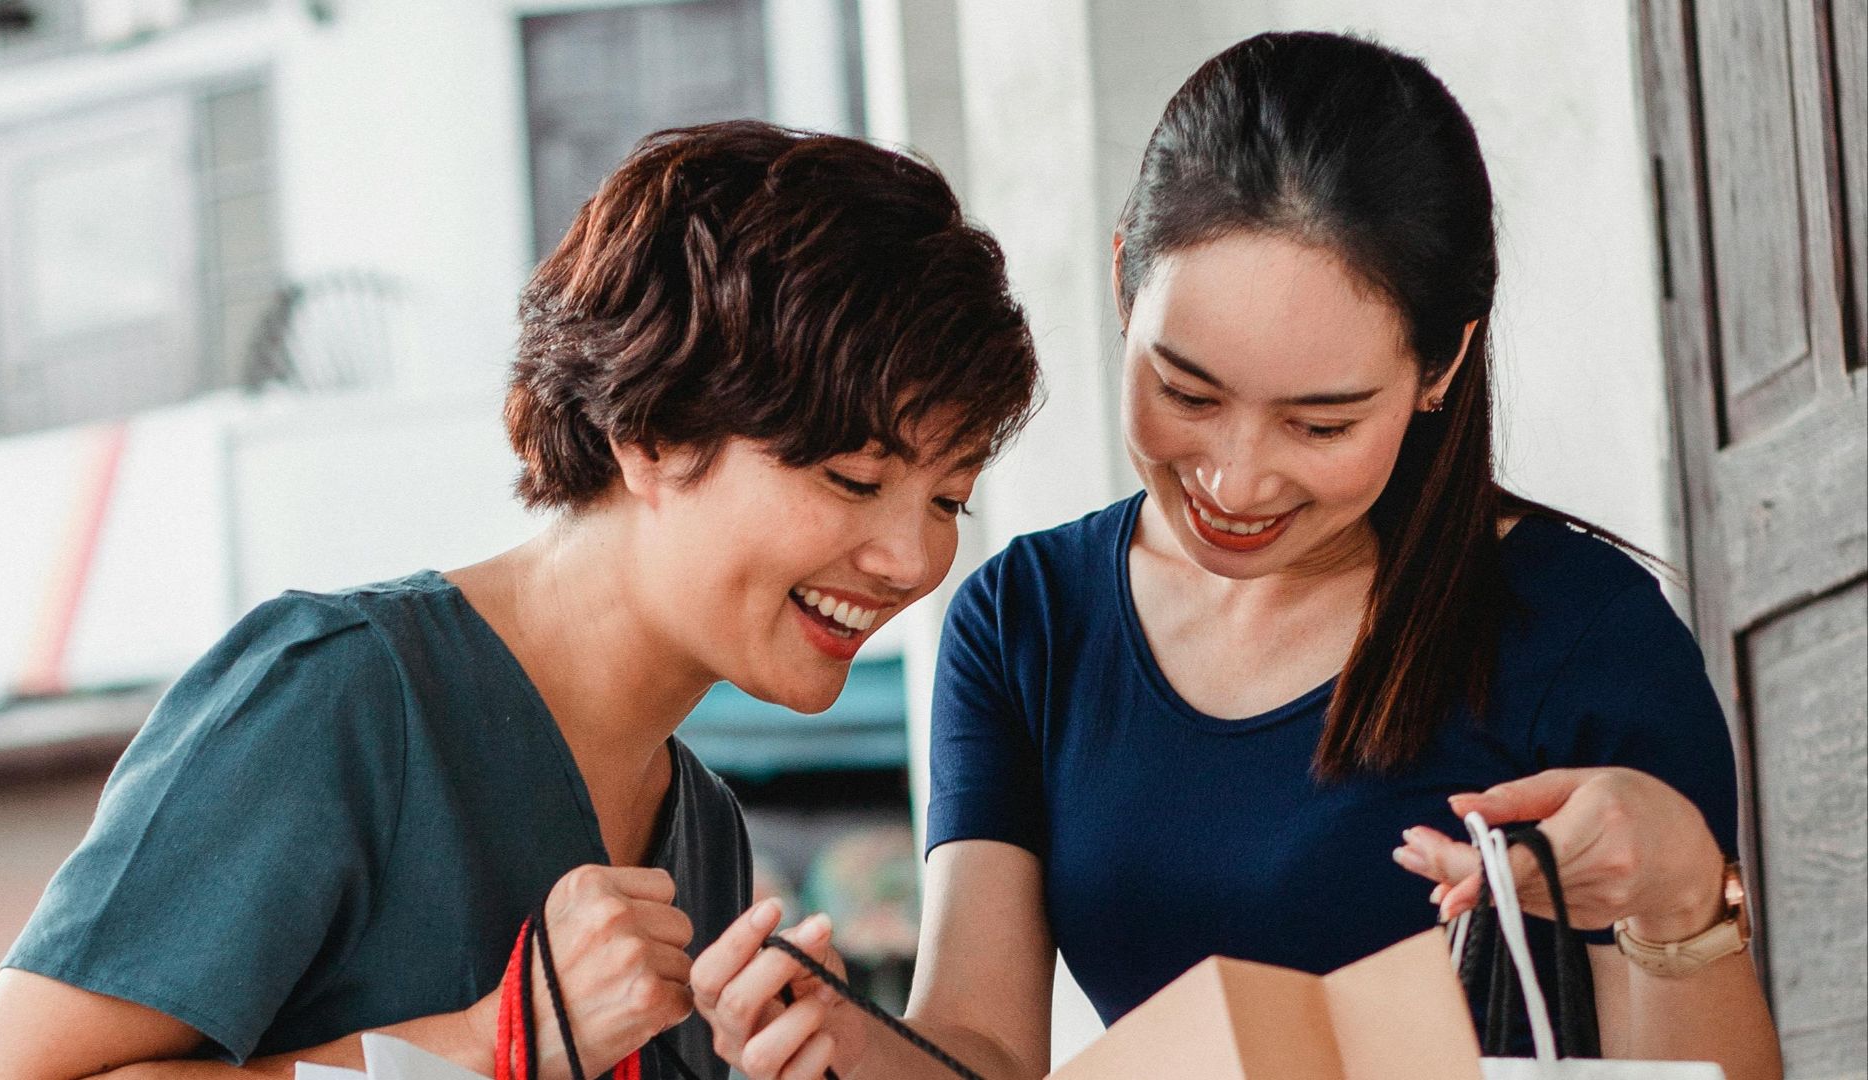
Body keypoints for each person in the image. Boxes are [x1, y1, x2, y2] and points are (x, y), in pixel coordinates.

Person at [690, 32, 1784, 1080]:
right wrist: (840, 1038)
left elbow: (1691, 1076)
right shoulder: (1028, 622)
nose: (1239, 480)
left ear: (1443, 363)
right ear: (1124, 284)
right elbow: (981, 1052)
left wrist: (1681, 897)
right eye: (1187, 393)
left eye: (1320, 425)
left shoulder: (1577, 629)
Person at [0, 120, 1039, 1080]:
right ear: (652, 433)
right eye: (853, 480)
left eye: (949, 500)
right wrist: (489, 1044)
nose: (910, 558)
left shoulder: (701, 830)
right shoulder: (338, 697)